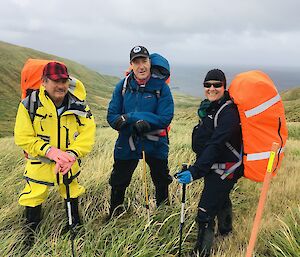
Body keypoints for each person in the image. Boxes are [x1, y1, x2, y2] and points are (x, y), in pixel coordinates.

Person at [14, 61, 96, 247]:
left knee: (71, 190)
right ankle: (30, 235)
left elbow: (87, 133)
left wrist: (72, 155)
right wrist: (50, 151)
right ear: (44, 82)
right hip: (39, 163)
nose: (61, 86)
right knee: (33, 195)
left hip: (68, 161)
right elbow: (22, 137)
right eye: (55, 81)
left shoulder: (79, 105)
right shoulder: (29, 105)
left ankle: (74, 226)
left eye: (64, 81)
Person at [176, 69, 243, 256]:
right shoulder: (211, 107)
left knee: (205, 211)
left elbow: (216, 145)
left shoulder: (228, 113)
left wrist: (195, 171)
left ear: (224, 86)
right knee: (220, 198)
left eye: (217, 85)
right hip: (216, 167)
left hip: (225, 169)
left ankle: (201, 253)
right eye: (207, 85)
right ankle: (226, 231)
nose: (211, 88)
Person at [106, 46, 174, 219]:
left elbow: (165, 117)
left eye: (144, 61)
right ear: (131, 64)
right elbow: (112, 116)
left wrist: (138, 119)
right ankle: (115, 214)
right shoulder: (122, 86)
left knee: (161, 179)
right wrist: (130, 124)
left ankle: (163, 215)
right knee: (119, 179)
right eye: (137, 62)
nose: (141, 66)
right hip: (127, 141)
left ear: (150, 62)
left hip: (155, 142)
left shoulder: (161, 88)